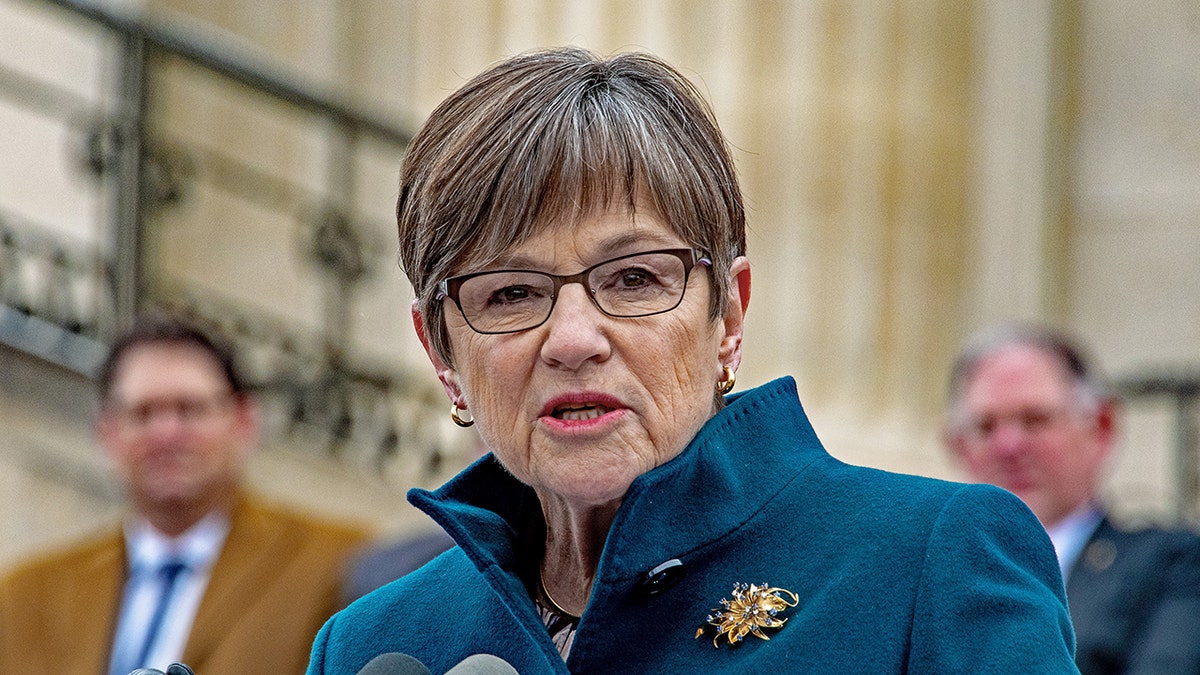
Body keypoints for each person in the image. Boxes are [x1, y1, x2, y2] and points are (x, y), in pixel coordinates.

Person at [307, 47, 1076, 674]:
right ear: (440, 350)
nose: (574, 338)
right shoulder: (374, 641)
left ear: (729, 315)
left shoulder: (927, 559)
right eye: (510, 293)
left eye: (635, 278)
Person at [0, 314, 370, 674]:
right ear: (107, 432)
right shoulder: (24, 597)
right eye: (143, 413)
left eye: (190, 409)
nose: (166, 434)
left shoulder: (337, 565)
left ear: (244, 421)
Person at [944, 324, 1200, 674]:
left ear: (1100, 426)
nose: (1008, 447)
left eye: (1035, 420)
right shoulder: (932, 577)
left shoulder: (1171, 568)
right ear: (958, 447)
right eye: (986, 427)